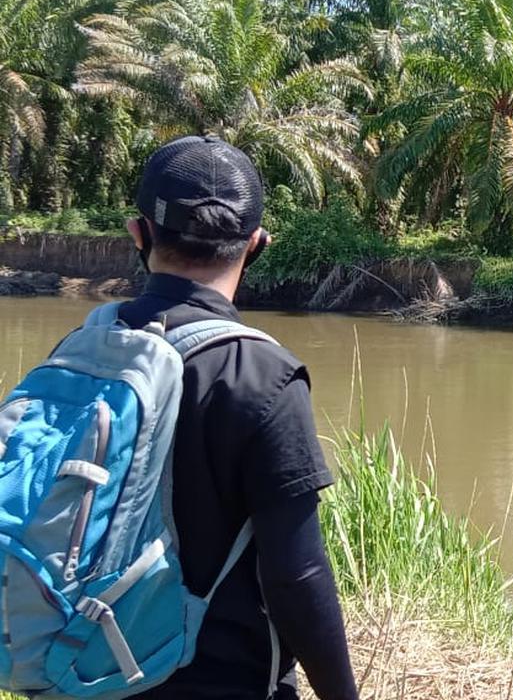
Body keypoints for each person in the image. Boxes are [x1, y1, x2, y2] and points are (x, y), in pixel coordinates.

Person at [119, 136, 358, 699]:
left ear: (140, 234)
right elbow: (296, 575)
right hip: (218, 683)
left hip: (85, 672)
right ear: (256, 245)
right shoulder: (260, 373)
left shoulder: (85, 346)